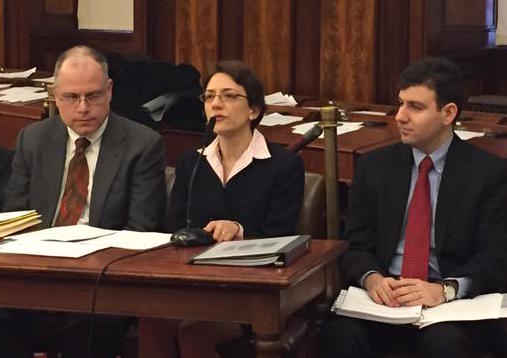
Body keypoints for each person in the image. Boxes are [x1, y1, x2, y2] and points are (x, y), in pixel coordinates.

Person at [319, 57, 507, 358]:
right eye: (400, 104)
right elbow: (355, 244)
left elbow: (496, 256)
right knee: (337, 334)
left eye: (415, 107)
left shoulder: (489, 174)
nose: (400, 116)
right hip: (383, 298)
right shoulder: (374, 167)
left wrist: (444, 290)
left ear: (448, 113)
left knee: (444, 345)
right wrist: (372, 278)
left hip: (448, 304)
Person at [1, 46, 167, 358]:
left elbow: (142, 230)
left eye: (92, 96)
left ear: (109, 90)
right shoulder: (33, 139)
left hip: (102, 283)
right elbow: (15, 218)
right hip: (37, 275)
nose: (82, 108)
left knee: (89, 329)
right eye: (71, 97)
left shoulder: (142, 145)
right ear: (55, 95)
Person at [139, 60, 305, 358]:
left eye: (229, 96)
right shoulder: (193, 161)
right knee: (152, 321)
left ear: (253, 110)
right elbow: (174, 227)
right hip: (195, 283)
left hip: (249, 291)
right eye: (210, 96)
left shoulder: (283, 165)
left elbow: (281, 235)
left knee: (194, 329)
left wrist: (238, 230)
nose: (217, 104)